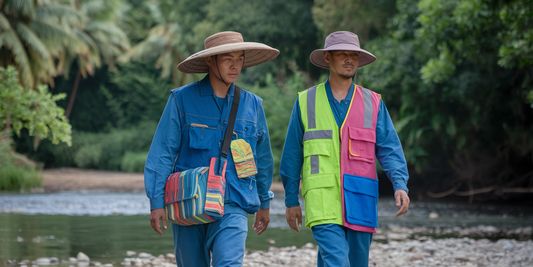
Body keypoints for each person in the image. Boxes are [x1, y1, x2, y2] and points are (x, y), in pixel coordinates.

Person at [144, 31, 279, 267]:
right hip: (188, 201)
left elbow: (263, 159)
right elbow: (163, 152)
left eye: (240, 58)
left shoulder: (253, 105)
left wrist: (264, 203)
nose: (235, 65)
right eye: (228, 59)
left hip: (234, 203)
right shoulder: (181, 99)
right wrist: (156, 202)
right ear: (210, 61)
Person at [280, 31, 410, 267]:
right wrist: (291, 200)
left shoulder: (373, 103)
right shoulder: (305, 101)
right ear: (328, 57)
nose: (349, 59)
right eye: (342, 54)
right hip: (322, 201)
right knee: (337, 260)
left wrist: (400, 184)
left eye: (354, 55)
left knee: (353, 262)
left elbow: (390, 148)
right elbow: (292, 155)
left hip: (361, 199)